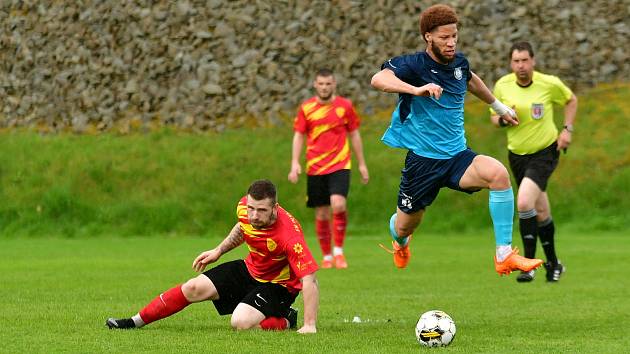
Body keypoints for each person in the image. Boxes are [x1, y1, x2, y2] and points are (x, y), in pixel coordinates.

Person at [370, 4, 544, 275]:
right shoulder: (414, 65)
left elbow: (470, 80)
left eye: (454, 37)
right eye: (444, 37)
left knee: (498, 174)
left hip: (457, 157)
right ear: (428, 36)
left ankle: (504, 254)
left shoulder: (459, 63)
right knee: (405, 225)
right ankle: (400, 242)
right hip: (422, 163)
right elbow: (379, 79)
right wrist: (417, 90)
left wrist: (499, 108)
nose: (451, 43)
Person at [106, 180, 319, 334]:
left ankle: (287, 320)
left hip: (278, 286)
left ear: (275, 208)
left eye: (261, 210)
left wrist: (309, 325)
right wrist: (218, 251)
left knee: (241, 323)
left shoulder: (290, 236)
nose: (253, 215)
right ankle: (134, 322)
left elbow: (309, 280)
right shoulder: (245, 208)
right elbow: (242, 228)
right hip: (250, 269)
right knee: (192, 287)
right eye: (251, 208)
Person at [490, 41, 577, 283]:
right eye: (516, 61)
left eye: (525, 60)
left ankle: (528, 266)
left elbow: (571, 100)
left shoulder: (548, 84)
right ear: (511, 63)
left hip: (545, 152)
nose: (521, 66)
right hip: (517, 155)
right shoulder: (502, 86)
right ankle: (554, 264)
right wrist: (506, 119)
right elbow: (494, 120)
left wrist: (567, 130)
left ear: (533, 61)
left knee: (524, 201)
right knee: (540, 211)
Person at [288, 68, 369, 269]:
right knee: (322, 213)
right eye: (321, 83)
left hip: (340, 164)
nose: (324, 87)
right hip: (315, 167)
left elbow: (355, 134)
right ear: (315, 85)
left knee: (339, 204)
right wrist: (294, 162)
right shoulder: (306, 108)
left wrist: (362, 164)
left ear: (334, 84)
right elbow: (299, 135)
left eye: (328, 83)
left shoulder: (345, 106)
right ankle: (326, 256)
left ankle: (339, 252)